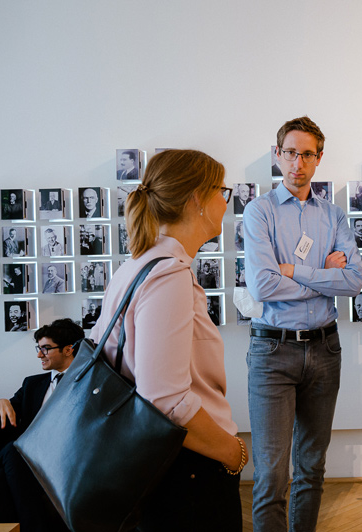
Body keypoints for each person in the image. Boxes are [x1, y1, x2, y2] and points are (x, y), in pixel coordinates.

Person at [90, 148, 245, 531]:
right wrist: (232, 451)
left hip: (165, 461)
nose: (225, 202)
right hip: (185, 469)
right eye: (221, 191)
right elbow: (165, 399)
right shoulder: (167, 275)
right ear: (197, 199)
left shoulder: (139, 266)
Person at [243, 116, 362, 532]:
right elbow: (262, 285)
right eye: (291, 153)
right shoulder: (259, 211)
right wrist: (323, 274)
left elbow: (353, 282)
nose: (298, 163)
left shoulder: (334, 215)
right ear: (277, 154)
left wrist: (294, 270)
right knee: (271, 474)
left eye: (307, 154)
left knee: (312, 467)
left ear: (319, 158)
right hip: (273, 351)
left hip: (325, 349)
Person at [0, 319, 84, 531]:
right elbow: (6, 411)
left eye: (46, 349)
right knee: (10, 458)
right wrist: (0, 402)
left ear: (68, 349)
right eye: (38, 348)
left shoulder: (87, 382)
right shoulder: (32, 384)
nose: (39, 355)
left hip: (63, 459)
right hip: (27, 460)